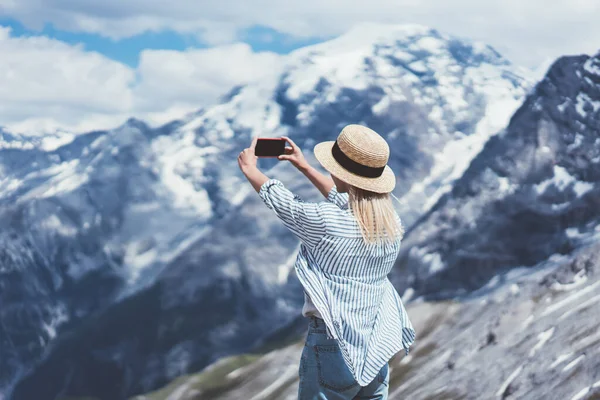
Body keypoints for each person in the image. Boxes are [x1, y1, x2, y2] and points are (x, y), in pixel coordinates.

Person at [238, 124, 416, 400]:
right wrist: (306, 168)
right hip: (377, 345)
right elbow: (349, 202)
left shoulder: (325, 221)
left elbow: (286, 204)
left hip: (334, 346)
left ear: (340, 172)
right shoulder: (391, 224)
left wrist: (251, 170)